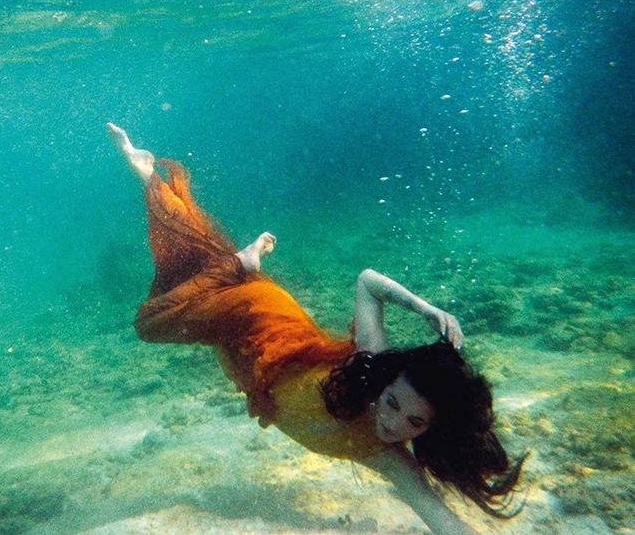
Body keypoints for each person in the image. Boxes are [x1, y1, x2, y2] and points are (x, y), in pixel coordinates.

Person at [106, 122, 525, 535]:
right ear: (386, 385)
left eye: (414, 423)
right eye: (393, 402)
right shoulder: (369, 368)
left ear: (430, 430)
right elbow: (368, 281)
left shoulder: (389, 457)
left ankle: (148, 176)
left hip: (248, 356)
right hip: (263, 317)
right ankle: (240, 263)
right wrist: (424, 308)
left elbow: (441, 518)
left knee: (194, 259)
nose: (393, 424)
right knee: (152, 323)